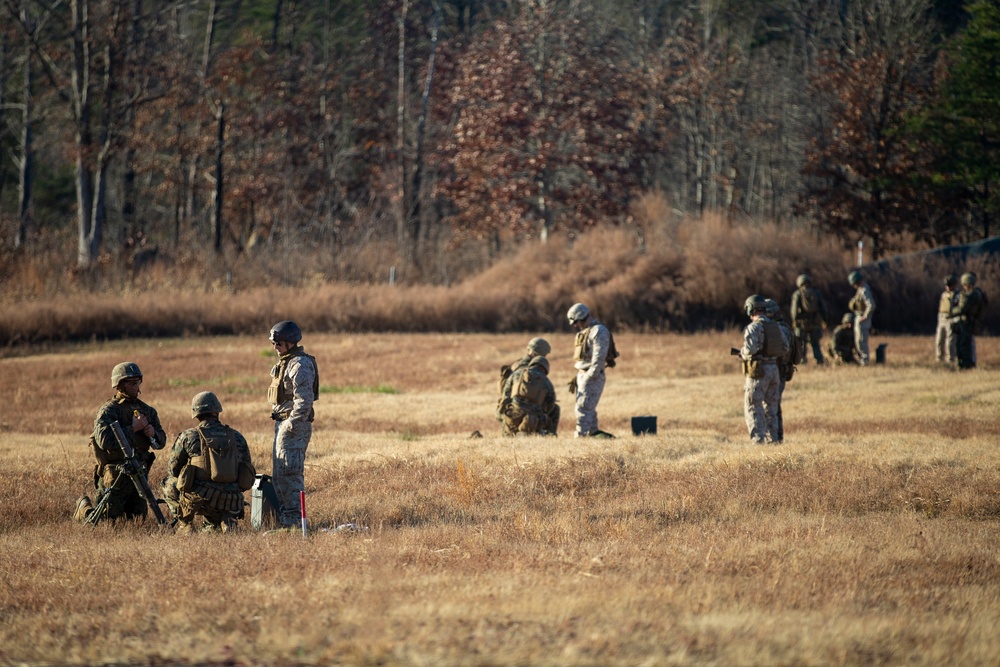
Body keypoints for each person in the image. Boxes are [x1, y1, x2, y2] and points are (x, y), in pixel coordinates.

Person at [73, 362, 167, 523]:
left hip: (139, 473)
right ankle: (83, 509)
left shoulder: (147, 410)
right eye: (132, 383)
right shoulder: (109, 410)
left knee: (137, 520)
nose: (136, 387)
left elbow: (161, 442)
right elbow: (104, 441)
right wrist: (133, 428)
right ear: (119, 384)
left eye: (138, 382)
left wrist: (153, 434)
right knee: (104, 521)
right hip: (116, 474)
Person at [161, 392, 255, 534]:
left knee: (168, 482)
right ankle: (226, 519)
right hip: (230, 500)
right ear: (217, 411)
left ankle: (185, 524)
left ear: (196, 414)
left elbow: (173, 470)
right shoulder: (237, 437)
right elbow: (246, 469)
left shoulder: (188, 436)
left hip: (201, 500)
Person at [268, 320, 319, 527]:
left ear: (290, 342)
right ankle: (287, 520)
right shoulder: (286, 362)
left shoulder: (300, 365)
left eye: (278, 343)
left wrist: (291, 425)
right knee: (279, 475)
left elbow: (304, 401)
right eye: (273, 343)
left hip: (293, 428)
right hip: (282, 425)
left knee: (290, 473)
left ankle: (296, 521)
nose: (275, 348)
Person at [736, 295, 788, 444]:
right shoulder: (776, 326)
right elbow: (785, 348)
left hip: (759, 371)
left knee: (753, 405)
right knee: (771, 407)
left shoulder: (753, 327)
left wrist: (743, 353)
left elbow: (750, 350)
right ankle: (774, 441)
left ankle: (758, 442)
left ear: (751, 309)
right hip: (774, 370)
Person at [567, 303, 615, 438]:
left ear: (583, 317)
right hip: (583, 374)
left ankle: (580, 437)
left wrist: (589, 375)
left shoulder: (599, 331)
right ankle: (593, 434)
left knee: (583, 408)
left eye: (576, 322)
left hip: (592, 375)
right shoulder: (587, 331)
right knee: (587, 408)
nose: (575, 325)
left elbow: (599, 357)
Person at [496, 337, 551, 434]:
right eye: (544, 355)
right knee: (553, 410)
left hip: (506, 409)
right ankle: (546, 434)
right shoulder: (532, 369)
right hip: (523, 412)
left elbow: (505, 393)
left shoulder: (516, 364)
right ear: (537, 353)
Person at [500, 356, 560, 435]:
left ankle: (507, 433)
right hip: (533, 419)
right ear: (545, 369)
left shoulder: (517, 374)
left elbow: (506, 394)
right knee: (556, 409)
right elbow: (550, 404)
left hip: (513, 415)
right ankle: (550, 434)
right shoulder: (546, 381)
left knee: (506, 412)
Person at [764, 298, 797, 443]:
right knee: (773, 404)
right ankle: (776, 438)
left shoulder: (780, 328)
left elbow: (783, 351)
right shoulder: (781, 326)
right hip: (778, 370)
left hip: (779, 370)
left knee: (772, 405)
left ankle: (775, 438)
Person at [790, 273, 828, 364]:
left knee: (802, 343)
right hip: (815, 322)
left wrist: (795, 320)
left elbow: (794, 309)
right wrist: (825, 319)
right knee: (815, 343)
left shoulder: (798, 294)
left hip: (802, 323)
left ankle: (803, 360)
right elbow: (823, 308)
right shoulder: (817, 293)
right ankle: (819, 360)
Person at [952, 272, 988, 370]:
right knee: (966, 343)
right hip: (971, 321)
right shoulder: (978, 293)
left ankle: (966, 365)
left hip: (966, 321)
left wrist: (952, 311)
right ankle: (967, 364)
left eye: (964, 284)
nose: (963, 286)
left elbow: (962, 309)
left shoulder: (971, 295)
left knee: (963, 344)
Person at [848, 270, 876, 365]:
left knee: (862, 341)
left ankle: (865, 361)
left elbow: (871, 305)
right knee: (858, 341)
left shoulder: (864, 290)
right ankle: (862, 360)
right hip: (859, 317)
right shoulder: (860, 290)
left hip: (863, 320)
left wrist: (865, 316)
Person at [935, 274, 959, 365]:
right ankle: (939, 359)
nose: (948, 287)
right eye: (947, 285)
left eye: (950, 285)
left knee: (950, 342)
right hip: (942, 317)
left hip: (951, 318)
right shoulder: (944, 294)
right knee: (939, 341)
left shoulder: (958, 295)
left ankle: (950, 360)